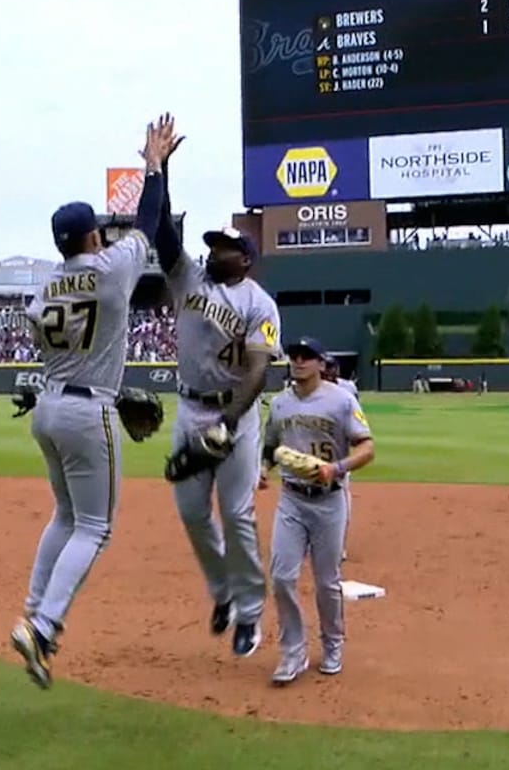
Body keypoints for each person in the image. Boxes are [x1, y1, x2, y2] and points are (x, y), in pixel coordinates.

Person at [7, 114, 179, 690]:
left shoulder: (41, 289)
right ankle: (45, 624)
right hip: (87, 409)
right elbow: (148, 222)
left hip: (49, 406)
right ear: (90, 237)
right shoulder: (109, 270)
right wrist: (154, 165)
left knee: (64, 514)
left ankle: (34, 609)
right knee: (96, 527)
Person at [155, 168, 280, 658]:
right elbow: (163, 233)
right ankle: (223, 592)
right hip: (190, 408)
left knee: (237, 514)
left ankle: (249, 613)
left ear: (245, 260)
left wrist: (230, 421)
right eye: (209, 245)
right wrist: (160, 172)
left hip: (238, 417)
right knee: (190, 512)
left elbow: (257, 370)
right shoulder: (188, 280)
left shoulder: (259, 305)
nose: (211, 251)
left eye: (223, 247)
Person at [262, 336, 375, 684]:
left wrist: (337, 468)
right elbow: (270, 447)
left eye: (306, 356)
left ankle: (333, 644)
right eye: (294, 356)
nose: (298, 361)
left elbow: (367, 447)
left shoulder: (342, 400)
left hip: (329, 499)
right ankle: (292, 651)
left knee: (327, 582)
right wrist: (263, 470)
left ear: (321, 363)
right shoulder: (280, 404)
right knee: (282, 576)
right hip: (292, 499)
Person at [321, 353, 357, 562]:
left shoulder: (348, 389)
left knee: (341, 496)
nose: (329, 372)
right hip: (312, 448)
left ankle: (339, 546)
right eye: (327, 368)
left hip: (338, 451)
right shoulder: (311, 387)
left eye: (332, 368)